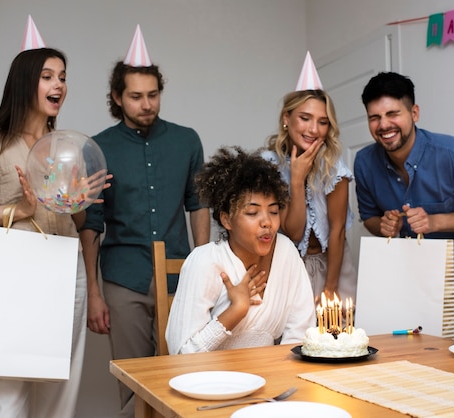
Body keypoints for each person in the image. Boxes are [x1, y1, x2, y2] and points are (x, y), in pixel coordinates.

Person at [0, 46, 88, 417]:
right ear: (25, 83)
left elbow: (78, 222)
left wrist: (78, 201)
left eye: (62, 77)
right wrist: (17, 210)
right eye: (48, 76)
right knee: (7, 397)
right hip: (13, 273)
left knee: (60, 393)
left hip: (66, 270)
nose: (59, 84)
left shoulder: (66, 148)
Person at [79, 25, 210, 417]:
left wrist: (204, 267)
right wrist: (94, 292)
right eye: (136, 96)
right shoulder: (98, 147)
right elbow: (92, 222)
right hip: (124, 280)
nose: (147, 104)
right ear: (117, 98)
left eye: (153, 95)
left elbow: (198, 203)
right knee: (134, 380)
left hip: (180, 276)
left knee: (183, 374)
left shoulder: (187, 140)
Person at [354, 71, 454, 343]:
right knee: (401, 358)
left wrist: (436, 222)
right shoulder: (364, 162)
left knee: (453, 361)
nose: (384, 125)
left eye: (393, 114)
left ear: (414, 113)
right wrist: (385, 226)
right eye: (374, 117)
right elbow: (369, 218)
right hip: (405, 277)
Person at [166, 146, 315, 354]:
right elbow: (181, 356)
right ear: (226, 219)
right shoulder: (204, 261)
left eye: (273, 211)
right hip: (209, 383)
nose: (267, 223)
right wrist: (235, 311)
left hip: (269, 380)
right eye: (253, 212)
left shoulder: (286, 252)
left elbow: (301, 336)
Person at [262, 52, 357, 304]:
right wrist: (296, 179)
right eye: (305, 118)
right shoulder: (270, 165)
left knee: (338, 338)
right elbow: (293, 233)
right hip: (291, 268)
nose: (313, 129)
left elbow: (337, 231)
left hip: (334, 267)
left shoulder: (334, 167)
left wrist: (331, 288)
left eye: (323, 122)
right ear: (286, 118)